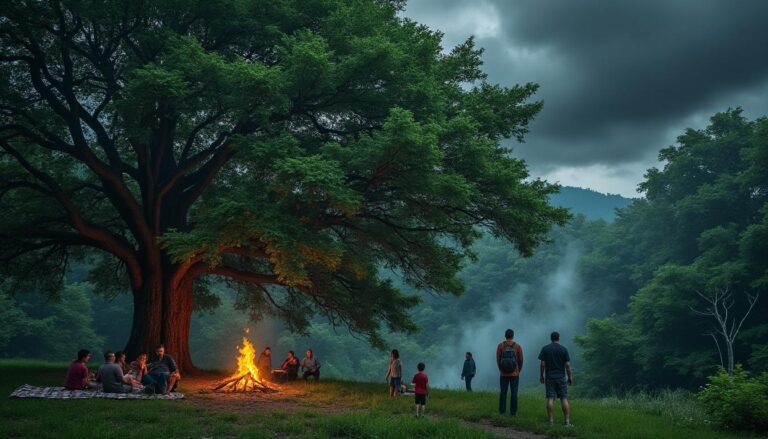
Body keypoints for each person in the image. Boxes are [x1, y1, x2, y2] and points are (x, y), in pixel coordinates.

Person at [538, 331, 574, 427]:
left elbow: (542, 364)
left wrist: (542, 376)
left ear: (551, 338)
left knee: (550, 398)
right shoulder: (563, 349)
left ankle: (551, 422)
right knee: (564, 398)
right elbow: (567, 365)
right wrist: (570, 377)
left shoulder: (545, 349)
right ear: (559, 338)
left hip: (549, 377)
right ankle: (567, 422)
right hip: (561, 377)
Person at [496, 328, 524, 416]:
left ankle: (502, 412)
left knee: (503, 392)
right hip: (515, 373)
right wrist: (518, 370)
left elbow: (498, 359)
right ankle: (513, 413)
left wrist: (501, 369)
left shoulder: (500, 346)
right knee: (514, 393)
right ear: (513, 336)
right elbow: (521, 360)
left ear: (505, 336)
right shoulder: (517, 346)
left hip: (503, 373)